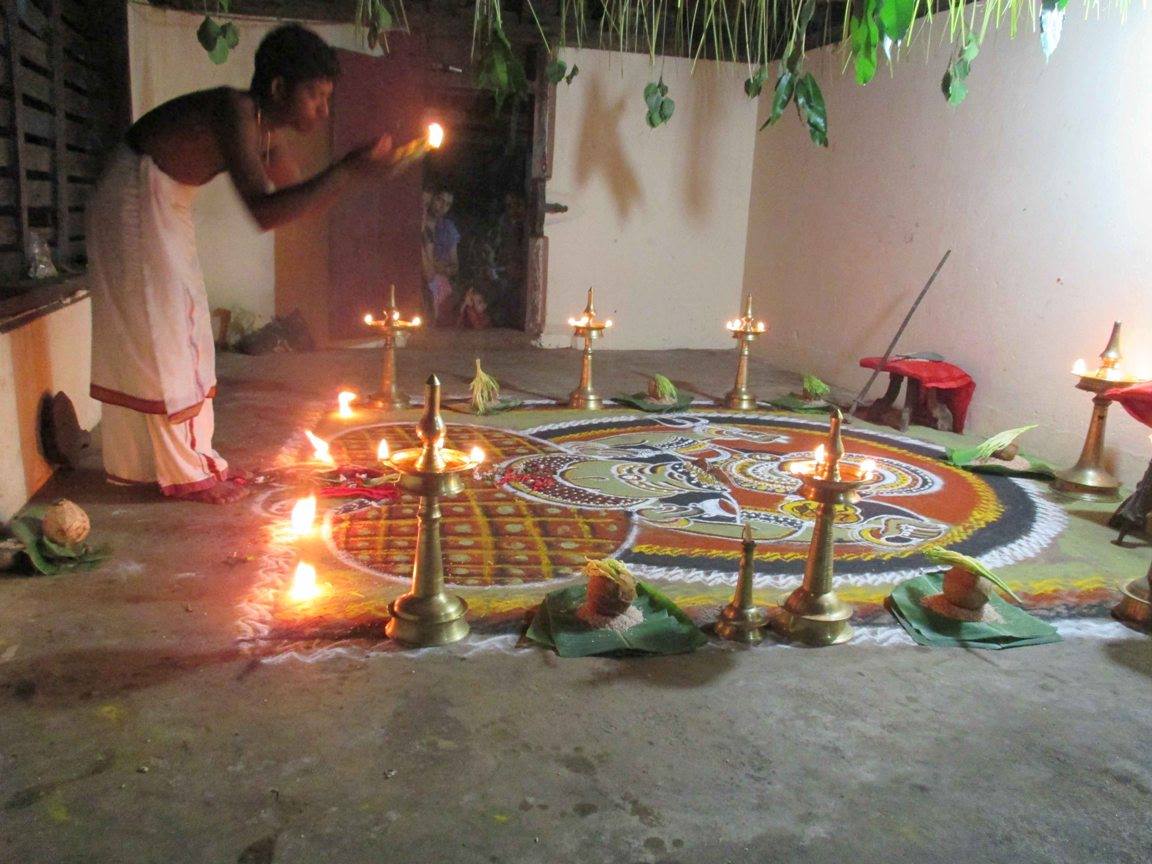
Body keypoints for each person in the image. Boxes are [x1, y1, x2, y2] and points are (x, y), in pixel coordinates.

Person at [87, 24, 392, 504]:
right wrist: (348, 172)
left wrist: (358, 175)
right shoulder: (236, 111)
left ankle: (178, 463)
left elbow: (290, 199)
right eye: (315, 96)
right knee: (166, 331)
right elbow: (264, 212)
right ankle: (184, 471)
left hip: (164, 199)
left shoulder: (263, 129)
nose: (323, 110)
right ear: (277, 88)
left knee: (184, 330)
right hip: (135, 194)